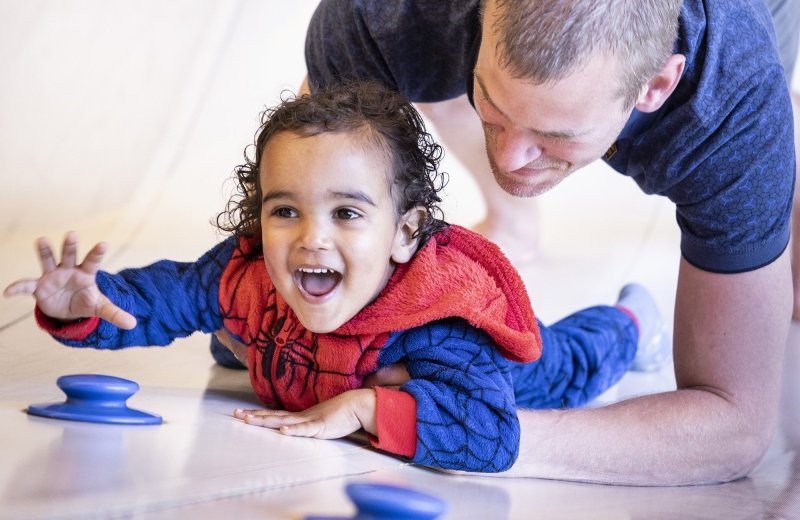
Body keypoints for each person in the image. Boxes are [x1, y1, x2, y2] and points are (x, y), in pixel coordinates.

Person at [4, 82, 665, 473]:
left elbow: (492, 435)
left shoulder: (440, 326)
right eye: (285, 209)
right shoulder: (252, 272)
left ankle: (634, 320)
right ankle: (245, 339)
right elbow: (161, 298)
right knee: (225, 314)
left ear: (404, 232)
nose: (311, 236)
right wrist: (84, 304)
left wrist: (364, 406)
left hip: (510, 366)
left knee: (575, 359)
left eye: (347, 212)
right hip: (299, 340)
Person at [301, 0, 798, 485]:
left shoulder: (733, 110)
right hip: (437, 31)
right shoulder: (383, 14)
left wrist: (462, 430)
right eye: (491, 108)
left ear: (657, 85)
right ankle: (512, 200)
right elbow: (285, 235)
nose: (512, 160)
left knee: (778, 266)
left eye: (553, 134)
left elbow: (735, 427)